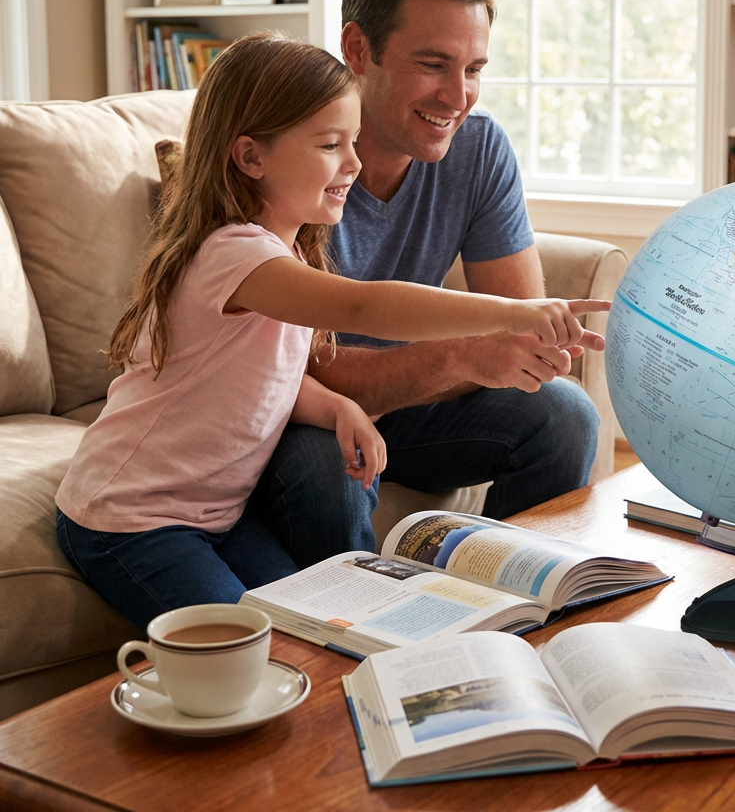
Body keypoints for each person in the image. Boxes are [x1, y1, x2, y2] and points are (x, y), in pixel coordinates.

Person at [53, 32, 607, 630]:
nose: (354, 163)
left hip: (218, 517)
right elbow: (365, 309)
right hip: (128, 522)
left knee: (316, 623)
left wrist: (338, 407)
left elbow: (266, 377)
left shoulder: (285, 254)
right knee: (261, 645)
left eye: (352, 142)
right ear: (251, 157)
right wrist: (511, 313)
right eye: (330, 145)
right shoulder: (235, 257)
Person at [258, 0, 607, 571]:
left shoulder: (478, 149)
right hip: (302, 411)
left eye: (473, 69)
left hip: (414, 408)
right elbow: (308, 373)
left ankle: (511, 610)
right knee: (323, 459)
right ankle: (360, 628)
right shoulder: (291, 156)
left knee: (563, 414)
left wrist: (504, 346)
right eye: (432, 64)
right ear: (359, 49)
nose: (457, 97)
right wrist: (468, 353)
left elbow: (522, 336)